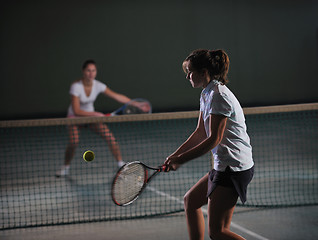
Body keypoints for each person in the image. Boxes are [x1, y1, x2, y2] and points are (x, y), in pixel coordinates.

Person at [164, 49, 254, 240]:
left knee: (218, 232)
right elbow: (200, 132)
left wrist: (181, 160)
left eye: (190, 71)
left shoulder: (219, 96)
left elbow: (214, 139)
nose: (187, 76)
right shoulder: (207, 93)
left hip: (233, 168)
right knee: (191, 201)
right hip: (224, 165)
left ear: (204, 71)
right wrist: (175, 155)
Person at [56, 59, 131, 177]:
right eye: (88, 70)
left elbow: (117, 96)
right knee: (73, 142)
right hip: (74, 118)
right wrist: (95, 114)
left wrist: (134, 103)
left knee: (110, 137)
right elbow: (76, 110)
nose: (91, 73)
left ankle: (120, 164)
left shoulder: (98, 85)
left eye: (93, 71)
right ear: (83, 72)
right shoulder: (76, 87)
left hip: (90, 118)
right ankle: (65, 167)